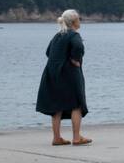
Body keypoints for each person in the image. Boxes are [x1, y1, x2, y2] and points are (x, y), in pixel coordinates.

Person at [35, 9, 90, 145]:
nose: (80, 20)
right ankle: (76, 137)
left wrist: (59, 60)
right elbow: (78, 47)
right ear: (74, 21)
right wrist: (75, 59)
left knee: (57, 106)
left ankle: (56, 137)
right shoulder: (74, 35)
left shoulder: (58, 35)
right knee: (76, 105)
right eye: (78, 18)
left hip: (52, 73)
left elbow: (48, 52)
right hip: (70, 74)